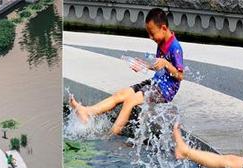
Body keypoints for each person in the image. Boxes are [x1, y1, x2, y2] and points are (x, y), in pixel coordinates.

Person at [69, 7, 184, 135]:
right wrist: (145, 66)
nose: (150, 37)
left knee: (130, 101)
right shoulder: (161, 41)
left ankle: (112, 134)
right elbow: (160, 66)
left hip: (164, 91)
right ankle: (87, 112)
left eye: (152, 33)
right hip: (155, 83)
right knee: (121, 94)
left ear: (163, 28)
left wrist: (167, 64)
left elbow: (179, 75)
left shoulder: (175, 47)